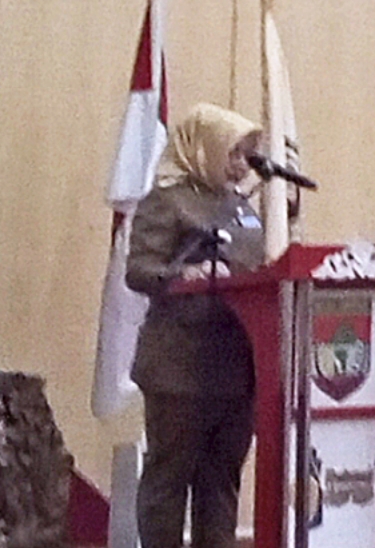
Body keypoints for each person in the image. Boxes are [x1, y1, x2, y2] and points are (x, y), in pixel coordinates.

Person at [126, 102, 264, 548]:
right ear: (204, 148)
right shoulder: (167, 199)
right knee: (169, 481)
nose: (241, 165)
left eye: (246, 155)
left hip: (236, 368)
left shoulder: (242, 206)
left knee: (221, 481)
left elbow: (260, 266)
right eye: (233, 152)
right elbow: (139, 270)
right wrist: (183, 274)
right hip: (179, 369)